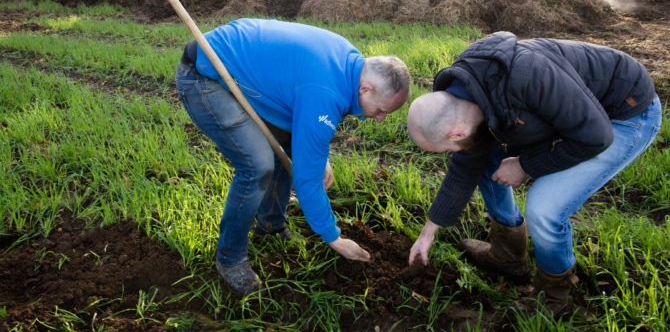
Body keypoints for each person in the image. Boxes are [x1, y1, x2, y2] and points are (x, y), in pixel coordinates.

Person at [406, 32, 660, 318]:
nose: (453, 153)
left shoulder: (528, 77)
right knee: (485, 159)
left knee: (544, 209)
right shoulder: (466, 91)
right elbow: (467, 162)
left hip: (622, 115)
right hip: (565, 115)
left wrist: (525, 165)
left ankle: (554, 297)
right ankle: (509, 257)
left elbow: (595, 137)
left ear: (457, 132)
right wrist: (429, 232)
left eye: (447, 148)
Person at [176, 19, 411, 296]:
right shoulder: (326, 92)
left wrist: (317, 153)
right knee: (257, 165)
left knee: (285, 146)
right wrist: (333, 237)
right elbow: (308, 180)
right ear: (366, 89)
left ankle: (271, 227)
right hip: (206, 73)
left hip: (243, 64)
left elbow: (305, 118)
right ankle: (230, 259)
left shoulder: (351, 65)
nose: (381, 119)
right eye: (382, 110)